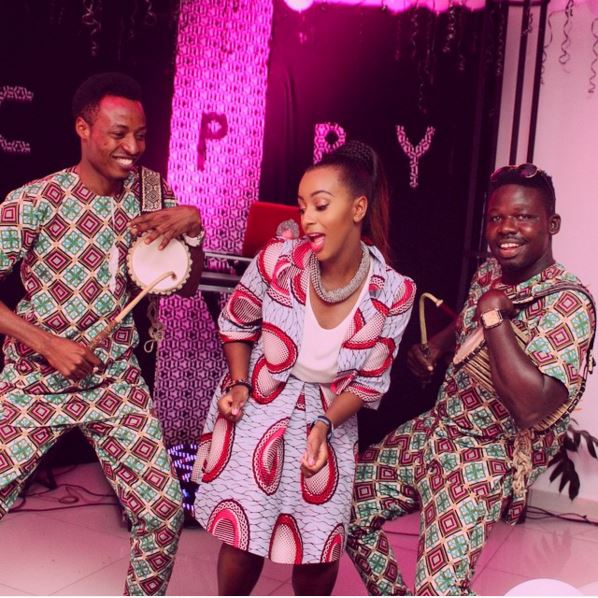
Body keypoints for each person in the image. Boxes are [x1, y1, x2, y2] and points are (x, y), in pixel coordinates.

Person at [346, 163, 596, 595]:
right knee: (349, 506)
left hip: (483, 456)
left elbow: (531, 406)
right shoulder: (490, 273)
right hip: (437, 428)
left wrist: (495, 315)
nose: (506, 228)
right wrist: (436, 347)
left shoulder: (568, 304)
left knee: (440, 590)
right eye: (497, 217)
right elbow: (466, 326)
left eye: (523, 216)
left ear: (551, 224)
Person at [0, 72, 204, 595]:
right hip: (34, 381)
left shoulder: (152, 193)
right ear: (83, 128)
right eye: (118, 133)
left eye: (141, 134)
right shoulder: (34, 201)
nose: (132, 147)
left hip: (115, 380)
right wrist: (47, 343)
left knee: (162, 512)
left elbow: (183, 285)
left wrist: (193, 229)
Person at [191, 140, 416, 595]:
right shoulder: (278, 259)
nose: (307, 218)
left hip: (329, 419)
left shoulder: (395, 292)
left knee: (318, 551)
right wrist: (238, 383)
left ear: (357, 208)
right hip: (260, 404)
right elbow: (236, 322)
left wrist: (324, 425)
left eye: (320, 205)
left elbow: (370, 382)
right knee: (243, 538)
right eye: (302, 206)